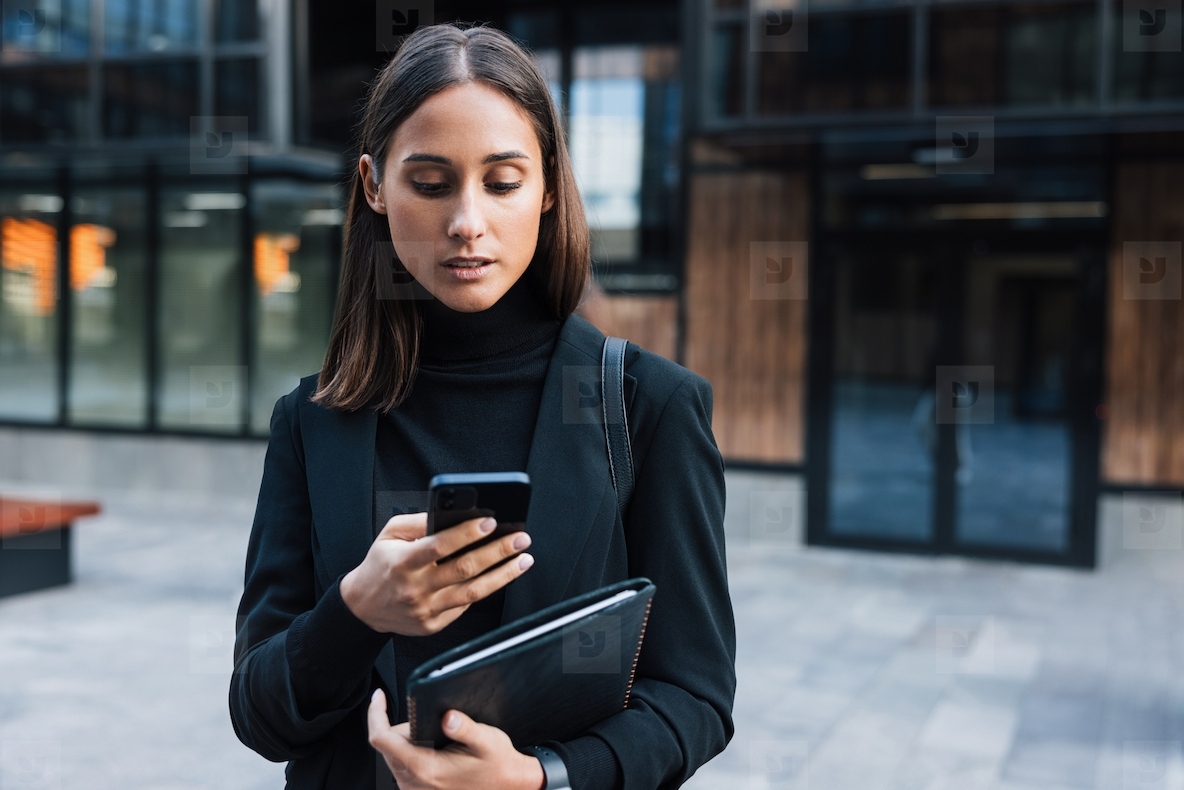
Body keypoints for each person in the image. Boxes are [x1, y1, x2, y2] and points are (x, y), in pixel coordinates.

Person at [229, 22, 736, 790]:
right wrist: (355, 612)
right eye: (430, 184)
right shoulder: (313, 421)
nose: (468, 222)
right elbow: (258, 716)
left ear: (548, 187)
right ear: (373, 185)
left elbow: (694, 699)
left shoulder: (648, 407)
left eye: (502, 182)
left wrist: (544, 777)